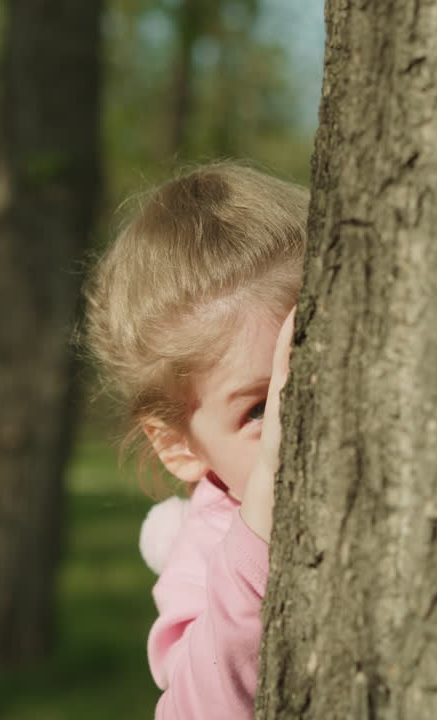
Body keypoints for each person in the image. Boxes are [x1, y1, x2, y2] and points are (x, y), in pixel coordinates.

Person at [83, 162, 306, 719]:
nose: (298, 420)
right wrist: (257, 530)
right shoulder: (203, 554)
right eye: (260, 408)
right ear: (178, 446)